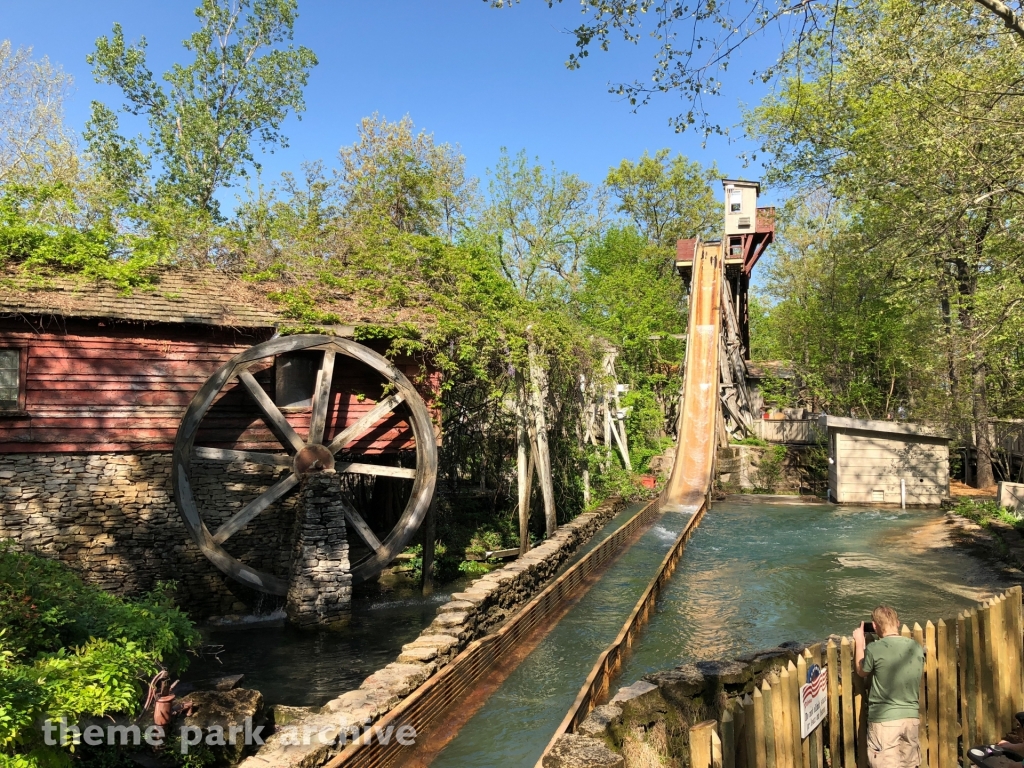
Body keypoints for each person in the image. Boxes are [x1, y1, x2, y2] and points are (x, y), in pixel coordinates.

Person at [853, 605, 925, 768]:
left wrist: (859, 642)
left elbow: (861, 671)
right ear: (897, 623)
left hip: (884, 720)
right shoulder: (916, 648)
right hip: (910, 719)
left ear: (876, 626)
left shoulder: (874, 648)